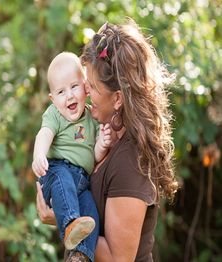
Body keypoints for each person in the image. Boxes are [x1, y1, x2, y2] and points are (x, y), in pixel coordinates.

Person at [36, 19, 178, 262]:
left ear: (118, 99)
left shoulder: (131, 162)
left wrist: (62, 217)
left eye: (91, 86)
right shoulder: (100, 132)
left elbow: (118, 258)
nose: (84, 92)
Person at [32, 52, 112, 262]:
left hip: (82, 182)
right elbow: (44, 133)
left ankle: (80, 255)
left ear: (86, 87)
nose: (69, 96)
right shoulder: (55, 114)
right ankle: (69, 224)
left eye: (74, 87)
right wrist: (39, 154)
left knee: (91, 213)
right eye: (61, 91)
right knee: (63, 179)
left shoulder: (92, 119)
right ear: (52, 98)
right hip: (56, 172)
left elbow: (91, 156)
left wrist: (101, 145)